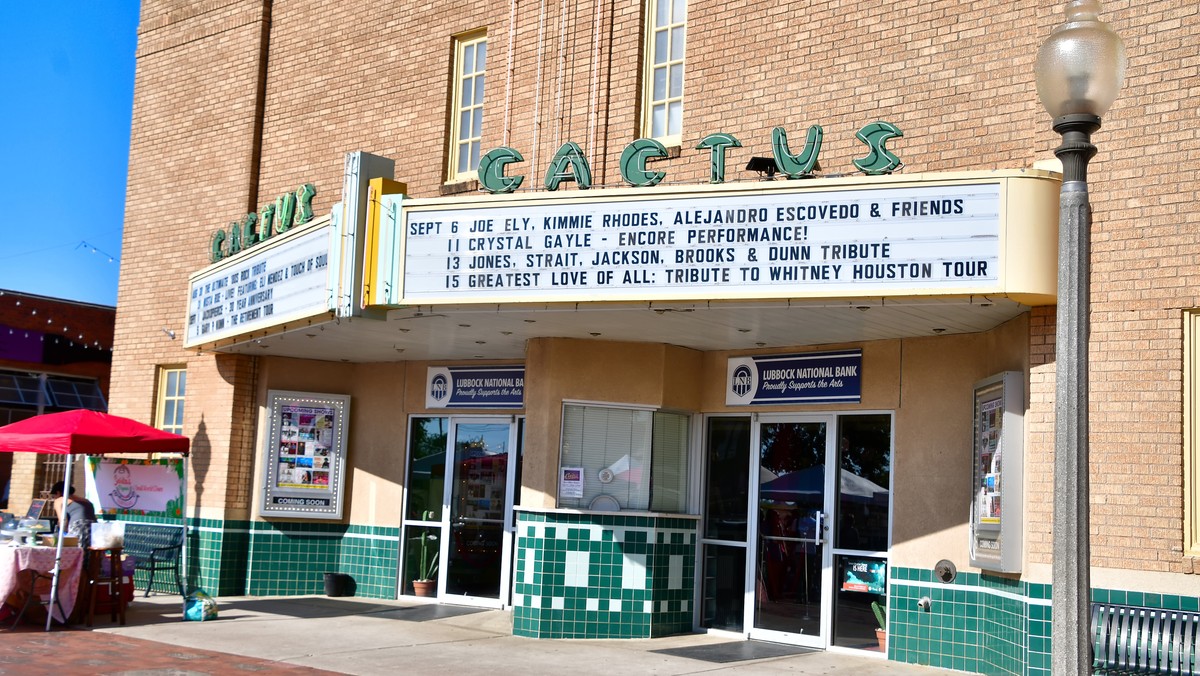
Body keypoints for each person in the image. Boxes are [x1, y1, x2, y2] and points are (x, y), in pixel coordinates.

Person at [50, 481, 97, 548]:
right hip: (94, 529)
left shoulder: (59, 500)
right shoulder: (86, 501)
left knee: (77, 553)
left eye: (54, 496)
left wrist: (62, 533)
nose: (54, 498)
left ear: (58, 492)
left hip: (79, 527)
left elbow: (63, 520)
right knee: (92, 555)